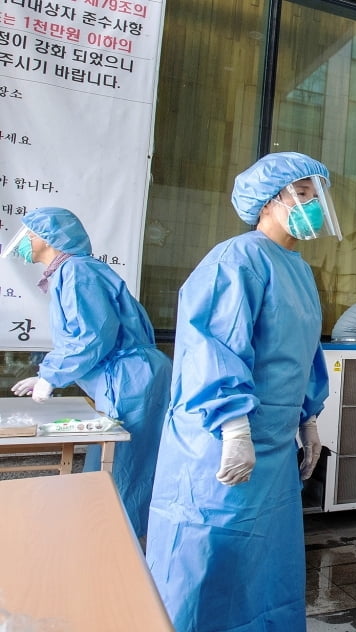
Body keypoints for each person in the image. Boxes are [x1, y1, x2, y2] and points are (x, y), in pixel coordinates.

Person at [146, 152, 339, 631]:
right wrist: (233, 427)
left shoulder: (298, 271)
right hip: (220, 440)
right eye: (303, 195)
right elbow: (212, 345)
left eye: (316, 196)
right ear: (268, 202)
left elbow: (302, 351)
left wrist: (309, 419)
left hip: (273, 446)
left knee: (266, 567)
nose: (313, 205)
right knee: (207, 559)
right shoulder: (236, 259)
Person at [5, 207, 171, 538]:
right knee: (113, 465)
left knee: (125, 468)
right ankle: (102, 538)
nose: (24, 241)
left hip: (131, 381)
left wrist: (51, 375)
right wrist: (47, 372)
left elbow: (93, 334)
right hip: (129, 379)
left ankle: (115, 547)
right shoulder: (70, 272)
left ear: (50, 238)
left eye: (29, 233)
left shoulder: (77, 271)